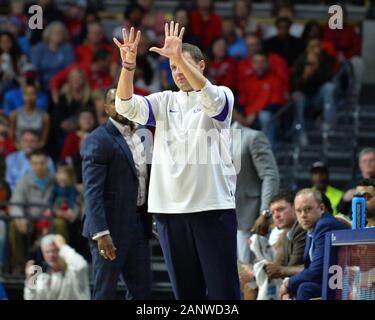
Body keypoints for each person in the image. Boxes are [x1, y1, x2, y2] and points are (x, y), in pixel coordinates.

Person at [113, 22, 240, 299]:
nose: (178, 71)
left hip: (212, 207)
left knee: (223, 294)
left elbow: (212, 102)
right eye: (172, 67)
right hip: (169, 212)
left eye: (183, 64)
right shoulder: (163, 100)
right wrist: (128, 67)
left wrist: (178, 55)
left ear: (201, 66)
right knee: (186, 295)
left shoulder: (222, 94)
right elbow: (124, 105)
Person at [81, 88, 152, 300]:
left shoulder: (142, 135)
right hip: (109, 228)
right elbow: (92, 191)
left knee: (142, 291)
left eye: (125, 100)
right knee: (105, 292)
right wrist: (101, 233)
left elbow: (146, 180)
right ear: (106, 108)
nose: (120, 105)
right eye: (115, 101)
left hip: (139, 223)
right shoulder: (98, 139)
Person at [279, 189, 348, 300]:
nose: (303, 215)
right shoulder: (312, 228)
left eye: (308, 209)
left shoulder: (325, 225)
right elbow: (310, 268)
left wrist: (288, 284)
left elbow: (315, 271)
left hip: (346, 284)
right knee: (303, 287)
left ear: (321, 208)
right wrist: (290, 287)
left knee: (304, 288)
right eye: (298, 211)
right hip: (332, 282)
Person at [231, 121, 279, 265]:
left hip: (248, 218)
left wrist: (265, 212)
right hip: (218, 218)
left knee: (249, 274)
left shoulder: (252, 137)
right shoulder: (207, 139)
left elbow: (270, 175)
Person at [8, 150, 56, 273]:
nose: (39, 166)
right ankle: (20, 269)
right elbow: (15, 204)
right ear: (30, 164)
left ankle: (56, 267)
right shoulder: (24, 181)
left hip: (51, 220)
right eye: (35, 163)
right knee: (14, 226)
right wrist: (20, 218)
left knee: (60, 224)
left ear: (47, 163)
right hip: (30, 220)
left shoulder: (56, 180)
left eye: (42, 163)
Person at [238, 51, 285, 146]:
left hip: (269, 118)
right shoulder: (247, 80)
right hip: (248, 117)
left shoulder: (275, 80)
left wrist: (255, 114)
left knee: (265, 115)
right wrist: (241, 116)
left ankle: (268, 151)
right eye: (256, 62)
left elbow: (275, 105)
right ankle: (234, 156)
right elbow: (242, 103)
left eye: (262, 62)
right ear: (252, 64)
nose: (259, 65)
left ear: (267, 63)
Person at [24, 234, 90, 300]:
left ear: (61, 250)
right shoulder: (43, 278)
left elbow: (81, 266)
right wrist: (30, 281)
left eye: (55, 250)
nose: (51, 255)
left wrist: (63, 246)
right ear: (42, 253)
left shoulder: (74, 273)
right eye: (47, 252)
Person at [30, 21, 75, 91]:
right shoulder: (40, 48)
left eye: (61, 33)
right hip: (43, 83)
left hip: (61, 84)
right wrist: (36, 81)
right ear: (49, 34)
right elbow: (34, 67)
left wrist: (68, 83)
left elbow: (70, 68)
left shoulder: (67, 48)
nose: (58, 35)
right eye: (56, 33)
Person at [8, 82, 50, 148]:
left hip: (36, 150)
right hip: (18, 149)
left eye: (33, 94)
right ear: (23, 96)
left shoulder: (45, 116)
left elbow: (43, 140)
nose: (29, 97)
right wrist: (18, 147)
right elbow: (10, 137)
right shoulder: (14, 114)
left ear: (37, 96)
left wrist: (35, 149)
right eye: (26, 94)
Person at [338, 148, 375, 216]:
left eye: (371, 160)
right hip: (354, 222)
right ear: (359, 164)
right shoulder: (352, 184)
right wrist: (345, 199)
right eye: (364, 161)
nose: (368, 163)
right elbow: (340, 211)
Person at [45, 165, 78, 242]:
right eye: (59, 174)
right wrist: (49, 208)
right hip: (56, 209)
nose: (61, 177)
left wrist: (70, 209)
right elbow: (51, 199)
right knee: (45, 220)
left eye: (64, 175)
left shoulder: (71, 188)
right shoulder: (55, 188)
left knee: (60, 224)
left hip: (65, 209)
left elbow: (72, 199)